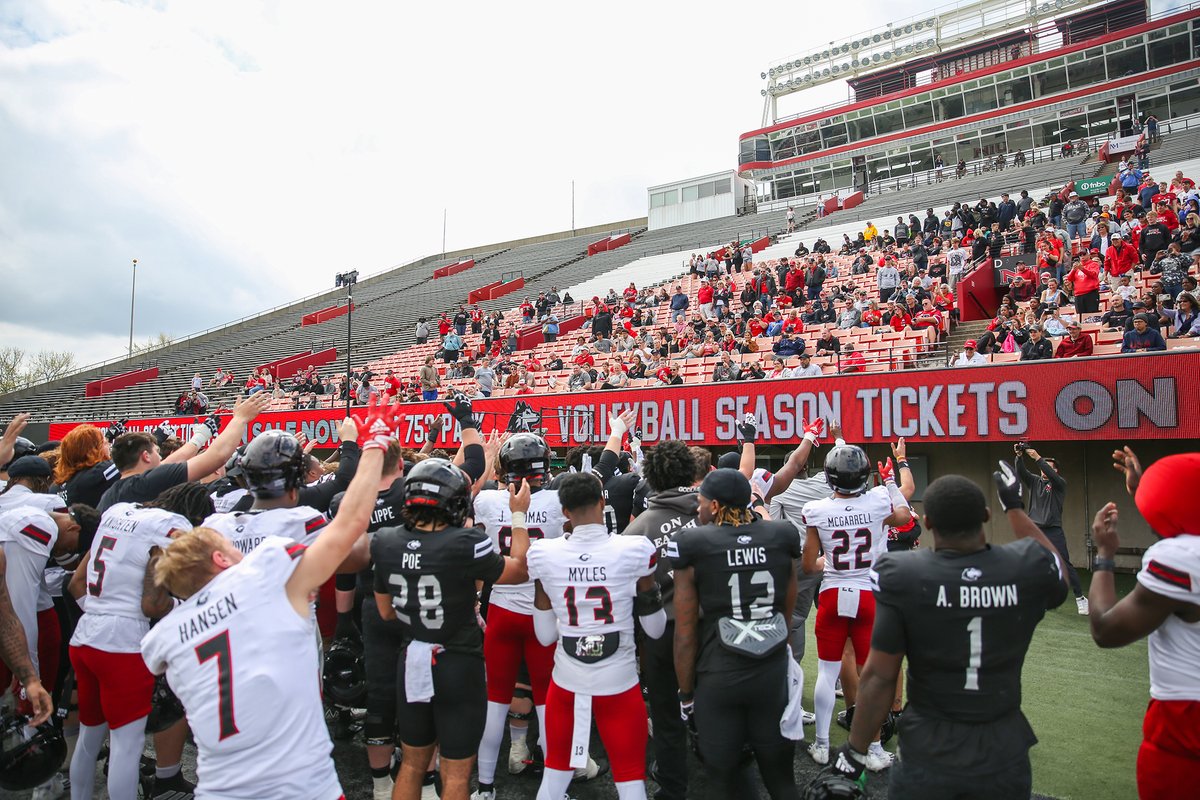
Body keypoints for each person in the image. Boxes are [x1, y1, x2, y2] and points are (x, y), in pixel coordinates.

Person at [140, 397, 397, 800]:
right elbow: (352, 537)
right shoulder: (275, 562)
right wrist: (373, 443)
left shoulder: (167, 631)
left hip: (220, 784)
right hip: (298, 777)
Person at [821, 464, 1068, 798]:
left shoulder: (903, 574)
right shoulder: (1021, 566)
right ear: (984, 515)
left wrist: (854, 751)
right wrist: (1014, 507)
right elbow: (1057, 572)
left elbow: (879, 677)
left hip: (929, 745)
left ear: (929, 523)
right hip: (1001, 745)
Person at [372, 459, 531, 800]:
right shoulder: (466, 541)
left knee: (413, 764)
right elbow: (518, 571)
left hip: (412, 656)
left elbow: (386, 611)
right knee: (456, 773)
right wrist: (518, 514)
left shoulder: (385, 541)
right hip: (458, 662)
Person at [67, 483, 214, 800]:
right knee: (126, 745)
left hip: (85, 637)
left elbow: (77, 582)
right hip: (122, 645)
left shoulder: (118, 511)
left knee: (89, 737)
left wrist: (101, 613)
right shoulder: (168, 528)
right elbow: (153, 605)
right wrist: (182, 606)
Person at [526, 472, 664, 800]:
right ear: (602, 503)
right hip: (618, 680)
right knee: (630, 780)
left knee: (555, 775)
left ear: (564, 512)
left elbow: (545, 636)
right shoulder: (634, 549)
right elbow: (655, 628)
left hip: (568, 681)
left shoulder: (544, 553)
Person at [472, 434, 595, 797]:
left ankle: (484, 786)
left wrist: (488, 458)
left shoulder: (488, 501)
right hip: (545, 613)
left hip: (502, 609)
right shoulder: (561, 501)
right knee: (547, 703)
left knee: (496, 702)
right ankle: (558, 785)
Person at [671, 469, 801, 800]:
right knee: (782, 780)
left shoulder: (694, 543)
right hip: (771, 672)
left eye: (700, 503)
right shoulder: (781, 535)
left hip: (719, 675)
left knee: (723, 783)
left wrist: (686, 693)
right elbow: (786, 611)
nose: (696, 509)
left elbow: (685, 633)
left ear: (714, 506)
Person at [1089, 448, 1200, 798]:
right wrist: (1146, 492)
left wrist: (1104, 555)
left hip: (1184, 725)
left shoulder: (1180, 559)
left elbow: (1106, 629)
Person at [802, 444, 912, 770]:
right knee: (871, 675)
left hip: (834, 593)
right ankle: (874, 747)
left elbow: (809, 565)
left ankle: (822, 744)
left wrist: (833, 563)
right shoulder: (879, 500)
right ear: (865, 475)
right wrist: (891, 482)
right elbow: (904, 515)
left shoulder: (817, 509)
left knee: (826, 672)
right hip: (868, 595)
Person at [621, 440, 710, 800]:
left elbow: (628, 590)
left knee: (666, 714)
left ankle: (672, 788)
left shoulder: (639, 528)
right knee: (717, 708)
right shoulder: (715, 511)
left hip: (664, 630)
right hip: (712, 627)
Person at [98, 394, 271, 512]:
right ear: (146, 456)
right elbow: (216, 456)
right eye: (157, 452)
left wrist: (199, 438)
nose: (161, 458)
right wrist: (240, 419)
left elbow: (170, 463)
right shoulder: (146, 483)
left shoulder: (110, 494)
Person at [1014, 445, 1085, 614]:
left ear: (1056, 471)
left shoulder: (1059, 484)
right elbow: (1021, 472)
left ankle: (1080, 598)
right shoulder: (1034, 481)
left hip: (1053, 530)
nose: (1043, 470)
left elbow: (1050, 473)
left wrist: (1038, 458)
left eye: (1048, 467)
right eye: (1042, 467)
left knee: (1065, 565)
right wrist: (1019, 456)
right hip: (1036, 530)